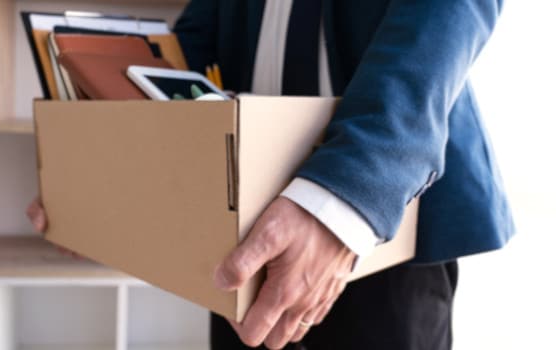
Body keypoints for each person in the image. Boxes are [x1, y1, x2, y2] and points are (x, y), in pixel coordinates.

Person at [27, 0, 515, 348]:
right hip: (238, 214)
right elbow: (195, 43)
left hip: (386, 220)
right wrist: (104, 171)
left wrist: (345, 198)